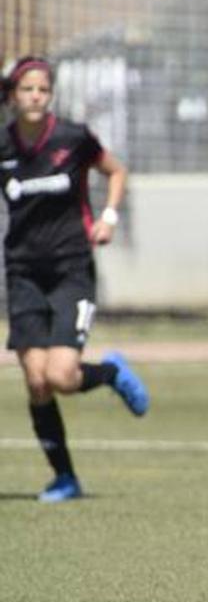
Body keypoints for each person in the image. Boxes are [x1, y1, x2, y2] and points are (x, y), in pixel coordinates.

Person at [2, 56, 149, 504]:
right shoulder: (3, 145)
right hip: (23, 271)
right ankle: (65, 478)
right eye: (27, 89)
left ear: (50, 95)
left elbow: (116, 171)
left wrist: (108, 217)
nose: (35, 96)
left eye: (42, 90)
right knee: (37, 381)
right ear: (12, 95)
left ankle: (110, 372)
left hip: (71, 269)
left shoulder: (73, 138)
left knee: (62, 375)